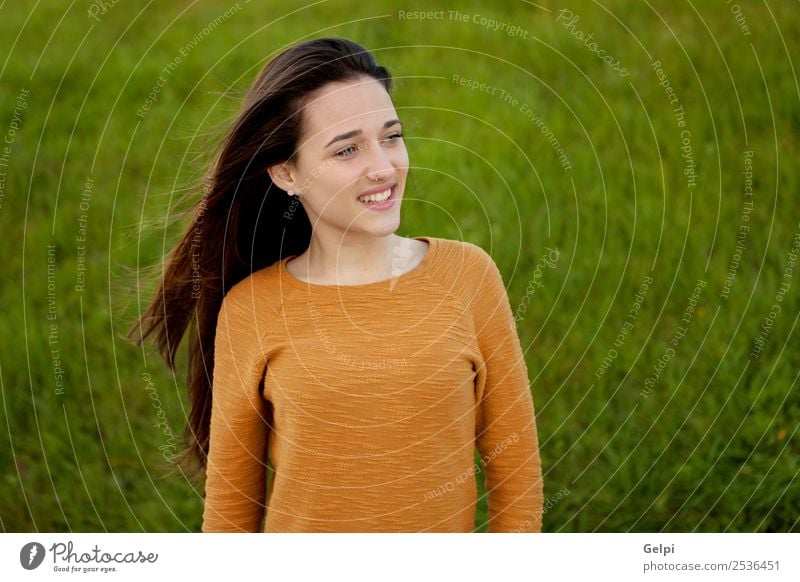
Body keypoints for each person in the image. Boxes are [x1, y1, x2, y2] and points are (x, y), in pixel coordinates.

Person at [130, 37, 543, 533]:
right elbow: (230, 513)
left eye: (390, 137)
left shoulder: (468, 276)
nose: (383, 167)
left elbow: (516, 473)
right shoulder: (252, 308)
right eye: (347, 149)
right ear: (286, 173)